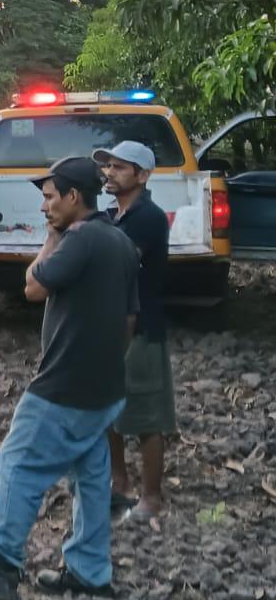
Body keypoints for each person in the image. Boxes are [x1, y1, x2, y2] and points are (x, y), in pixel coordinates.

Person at [0, 156, 139, 600]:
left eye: (50, 197)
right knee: (90, 477)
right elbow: (128, 320)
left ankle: (0, 567)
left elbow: (32, 288)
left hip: (63, 387)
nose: (44, 206)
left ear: (73, 196)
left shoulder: (79, 240)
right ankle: (90, 572)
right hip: (104, 388)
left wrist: (50, 238)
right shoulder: (119, 241)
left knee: (17, 462)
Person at [95, 141, 175, 524]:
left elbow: (117, 263)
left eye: (119, 167)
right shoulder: (114, 216)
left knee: (146, 415)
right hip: (113, 327)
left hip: (142, 329)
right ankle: (120, 484)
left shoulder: (148, 218)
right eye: (108, 166)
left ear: (142, 176)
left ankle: (152, 498)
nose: (109, 172)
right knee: (108, 410)